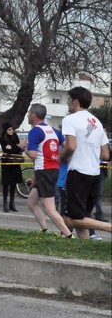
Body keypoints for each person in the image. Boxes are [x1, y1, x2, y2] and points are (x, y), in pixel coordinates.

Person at [59, 86, 111, 239]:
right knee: (81, 217)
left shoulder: (69, 119)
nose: (67, 103)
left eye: (68, 100)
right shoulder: (97, 123)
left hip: (78, 173)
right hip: (95, 174)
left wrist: (62, 156)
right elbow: (105, 153)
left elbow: (71, 146)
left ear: (75, 102)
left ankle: (108, 227)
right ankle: (85, 247)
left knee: (69, 219)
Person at [24, 104, 74, 237]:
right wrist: (59, 157)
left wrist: (23, 148)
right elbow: (67, 145)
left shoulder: (34, 131)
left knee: (49, 208)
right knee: (31, 202)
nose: (28, 116)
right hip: (51, 170)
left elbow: (33, 155)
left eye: (29, 113)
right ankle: (45, 231)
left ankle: (69, 235)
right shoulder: (53, 131)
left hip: (44, 172)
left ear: (33, 115)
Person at [0, 122, 26, 212]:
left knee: (14, 183)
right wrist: (16, 147)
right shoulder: (2, 138)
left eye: (12, 129)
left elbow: (18, 149)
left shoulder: (15, 136)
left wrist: (14, 147)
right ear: (5, 130)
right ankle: (5, 204)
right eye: (9, 129)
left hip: (15, 162)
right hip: (6, 163)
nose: (11, 131)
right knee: (6, 184)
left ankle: (12, 204)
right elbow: (6, 150)